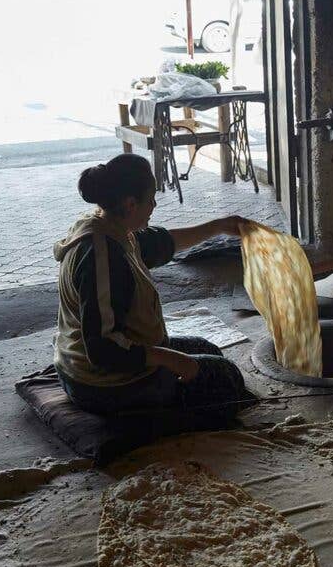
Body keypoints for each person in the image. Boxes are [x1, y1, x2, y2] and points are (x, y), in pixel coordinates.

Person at [53, 153, 250, 422]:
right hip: (100, 383)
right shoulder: (103, 257)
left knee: (210, 352)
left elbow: (163, 243)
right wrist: (175, 361)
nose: (154, 205)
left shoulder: (112, 227)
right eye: (151, 199)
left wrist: (219, 227)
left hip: (95, 365)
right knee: (226, 380)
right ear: (131, 204)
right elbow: (102, 349)